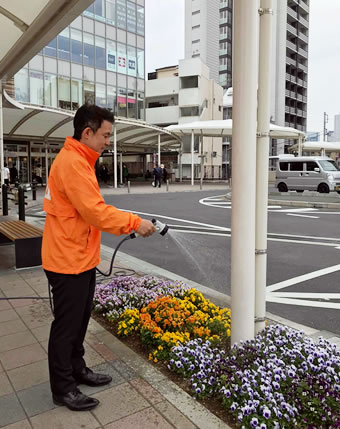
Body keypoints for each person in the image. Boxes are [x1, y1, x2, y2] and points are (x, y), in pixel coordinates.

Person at [42, 104, 155, 412]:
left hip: (80, 257)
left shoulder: (80, 160)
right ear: (87, 132)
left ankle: (77, 369)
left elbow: (88, 211)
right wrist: (134, 222)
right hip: (67, 261)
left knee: (79, 322)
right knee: (66, 327)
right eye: (105, 135)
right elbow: (95, 211)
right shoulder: (72, 164)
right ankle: (63, 388)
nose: (108, 141)